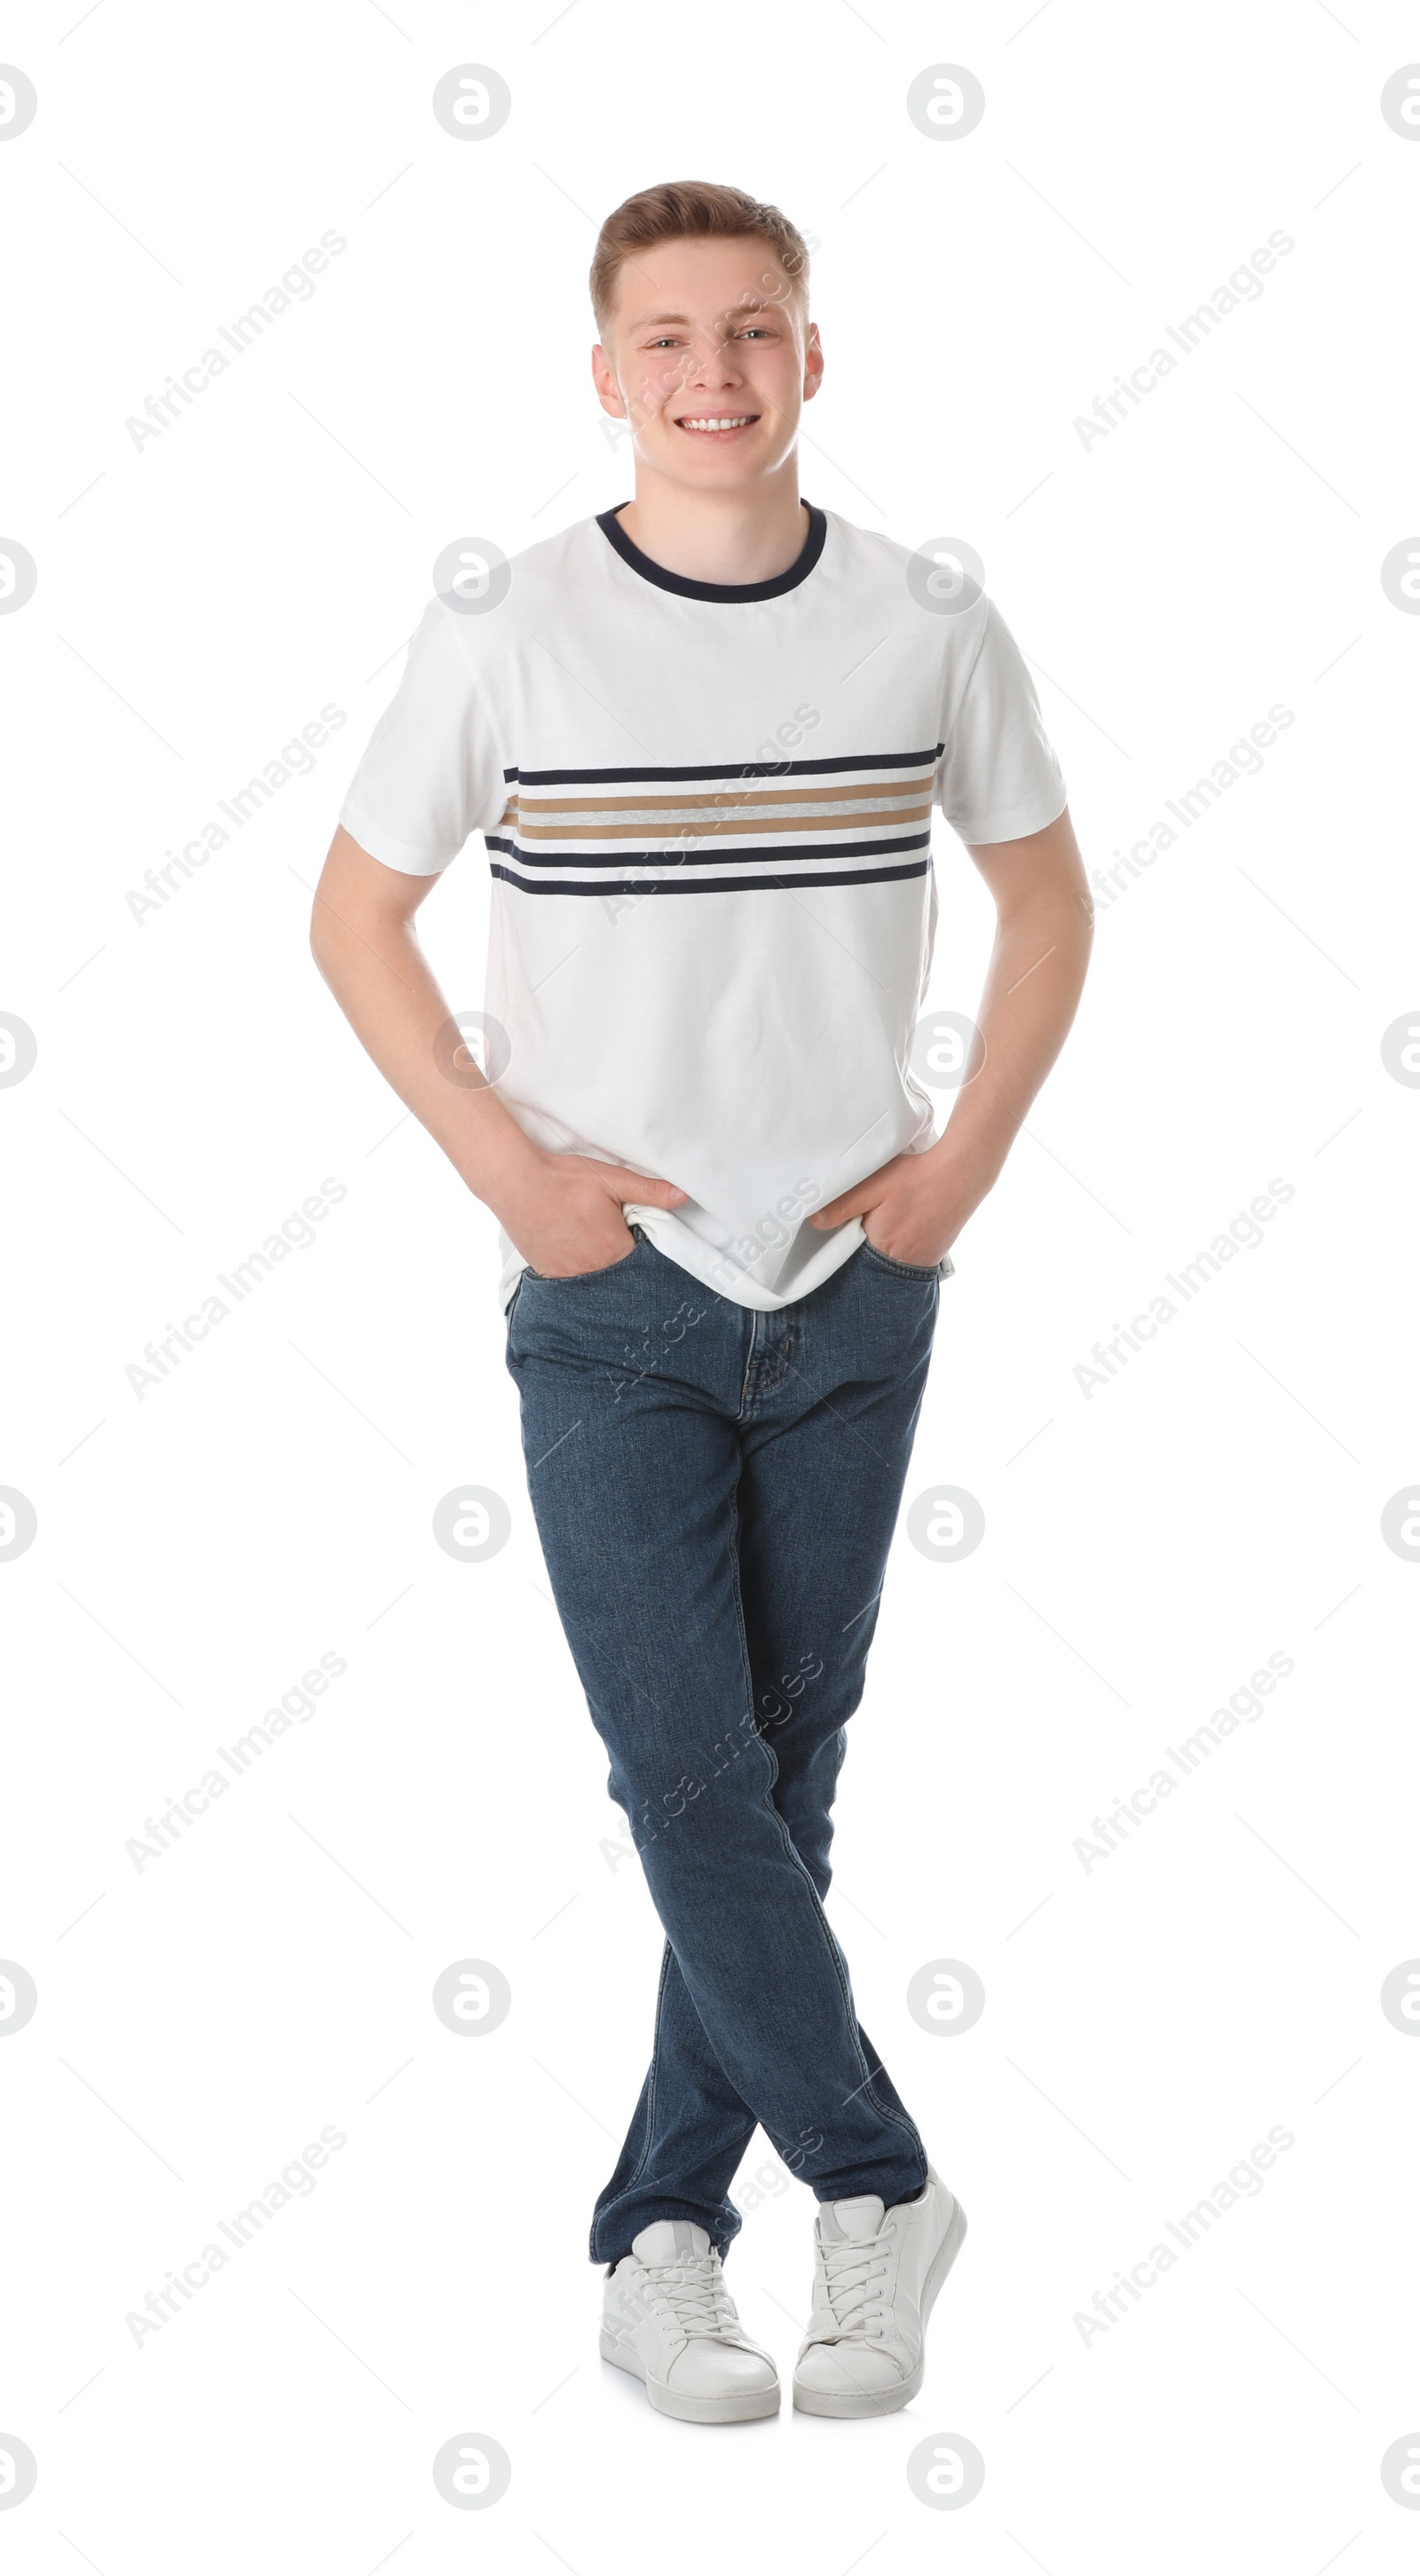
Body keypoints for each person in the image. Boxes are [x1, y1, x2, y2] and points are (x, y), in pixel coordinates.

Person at [312, 178, 1091, 2425]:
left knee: (771, 1785)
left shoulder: (926, 621)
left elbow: (1046, 910)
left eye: (753, 331)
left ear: (812, 359)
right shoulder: (509, 632)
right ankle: (876, 2176)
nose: (713, 373)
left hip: (856, 1291)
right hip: (614, 1296)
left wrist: (950, 1180)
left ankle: (664, 2227)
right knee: (685, 1771)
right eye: (666, 339)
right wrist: (507, 1168)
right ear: (605, 376)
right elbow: (355, 917)